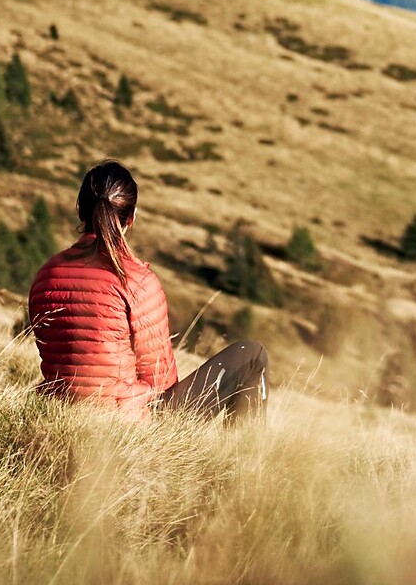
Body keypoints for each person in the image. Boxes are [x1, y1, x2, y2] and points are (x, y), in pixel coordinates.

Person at [28, 159, 268, 421]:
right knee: (253, 354)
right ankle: (247, 456)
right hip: (129, 422)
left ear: (80, 211)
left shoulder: (46, 273)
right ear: (132, 217)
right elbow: (161, 378)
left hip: (63, 410)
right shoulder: (136, 280)